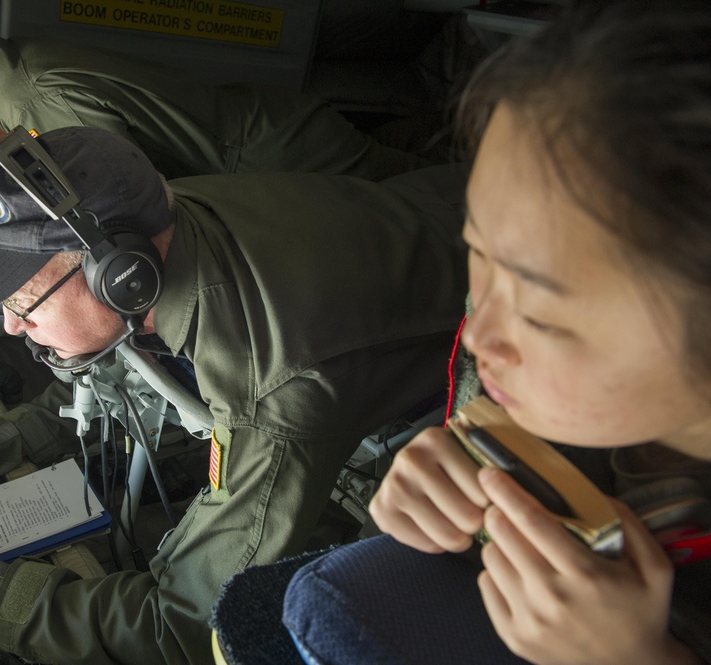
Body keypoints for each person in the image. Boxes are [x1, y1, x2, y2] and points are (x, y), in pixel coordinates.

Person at [211, 2, 711, 664]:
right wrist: (451, 477)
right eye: (478, 251)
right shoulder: (574, 407)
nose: (478, 335)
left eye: (540, 314)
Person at [0, 123, 469, 665]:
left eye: (20, 299)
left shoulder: (272, 390)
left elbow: (186, 626)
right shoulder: (170, 220)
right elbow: (129, 372)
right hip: (444, 204)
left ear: (118, 272)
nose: (8, 326)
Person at [0, 0, 431, 182]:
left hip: (284, 160)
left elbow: (142, 198)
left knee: (446, 195)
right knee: (431, 157)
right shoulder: (21, 75)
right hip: (271, 137)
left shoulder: (38, 105)